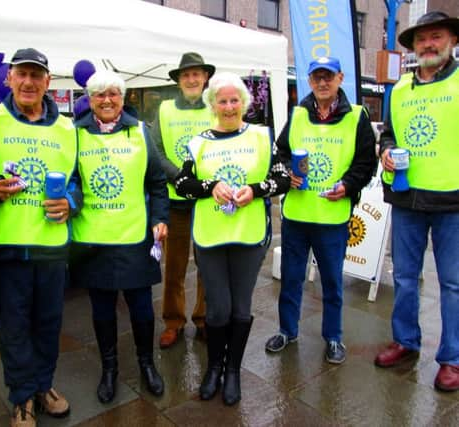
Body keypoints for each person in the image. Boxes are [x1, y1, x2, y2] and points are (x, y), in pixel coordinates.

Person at [0, 48, 78, 426]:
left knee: (48, 324)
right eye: (23, 75)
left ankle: (43, 386)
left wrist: (70, 201)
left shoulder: (67, 127)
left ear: (48, 82)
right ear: (9, 79)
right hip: (7, 248)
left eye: (37, 75)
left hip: (51, 249)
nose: (29, 82)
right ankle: (21, 399)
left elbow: (77, 180)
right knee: (13, 328)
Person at [175, 72, 290, 405]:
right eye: (222, 100)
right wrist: (210, 187)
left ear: (244, 102)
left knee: (241, 307)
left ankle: (234, 371)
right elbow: (183, 185)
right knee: (217, 309)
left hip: (249, 235)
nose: (228, 106)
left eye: (234, 100)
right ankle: (214, 368)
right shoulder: (198, 142)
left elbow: (281, 180)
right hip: (211, 235)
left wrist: (253, 191)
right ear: (213, 104)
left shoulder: (260, 137)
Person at [264, 57, 376, 364]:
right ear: (310, 81)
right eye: (317, 78)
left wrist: (349, 186)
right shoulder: (298, 115)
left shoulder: (356, 116)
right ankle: (287, 330)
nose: (322, 83)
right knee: (290, 278)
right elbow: (281, 152)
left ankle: (334, 337)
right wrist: (288, 171)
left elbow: (367, 163)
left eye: (328, 77)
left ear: (340, 78)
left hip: (332, 217)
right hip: (297, 216)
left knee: (332, 283)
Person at [70, 70, 168, 403]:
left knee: (142, 307)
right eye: (100, 95)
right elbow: (71, 182)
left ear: (122, 99)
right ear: (90, 100)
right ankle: (109, 368)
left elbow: (156, 182)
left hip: (133, 236)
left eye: (113, 94)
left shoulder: (141, 131)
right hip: (93, 239)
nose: (107, 100)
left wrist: (159, 218)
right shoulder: (74, 134)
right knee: (101, 310)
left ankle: (146, 363)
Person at [374, 11, 459, 392]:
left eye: (436, 36)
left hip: (453, 201)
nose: (428, 44)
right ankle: (406, 341)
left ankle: (452, 358)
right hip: (407, 199)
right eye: (422, 39)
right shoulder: (400, 90)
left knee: (453, 285)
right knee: (405, 278)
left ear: (452, 41)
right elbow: (388, 135)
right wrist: (386, 152)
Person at [150, 52, 214, 348]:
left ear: (205, 78)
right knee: (174, 267)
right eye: (186, 75)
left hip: (206, 201)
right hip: (175, 200)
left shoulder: (216, 108)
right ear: (179, 80)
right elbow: (156, 151)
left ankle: (203, 319)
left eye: (196, 74)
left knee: (207, 265)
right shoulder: (164, 109)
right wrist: (179, 178)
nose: (191, 79)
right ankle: (173, 322)